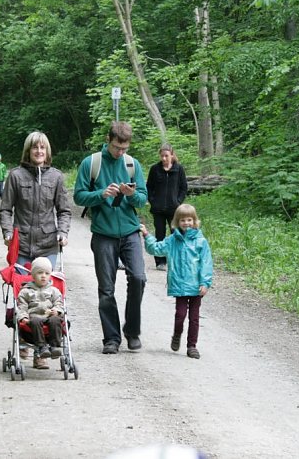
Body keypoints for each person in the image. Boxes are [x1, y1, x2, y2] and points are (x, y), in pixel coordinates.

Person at [73, 121, 148, 355]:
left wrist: (132, 194)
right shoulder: (91, 163)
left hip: (130, 231)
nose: (120, 152)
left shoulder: (132, 164)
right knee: (106, 288)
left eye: (124, 148)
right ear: (109, 140)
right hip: (103, 234)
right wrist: (101, 193)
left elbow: (143, 199)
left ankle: (132, 331)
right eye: (117, 148)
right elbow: (78, 197)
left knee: (138, 278)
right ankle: (111, 338)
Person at [140, 203, 213, 359]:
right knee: (180, 315)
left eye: (189, 220)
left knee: (194, 318)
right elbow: (156, 249)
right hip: (179, 285)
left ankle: (192, 346)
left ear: (194, 221)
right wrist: (147, 235)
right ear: (176, 222)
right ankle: (177, 334)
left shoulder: (201, 242)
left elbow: (206, 263)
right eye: (182, 220)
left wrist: (205, 283)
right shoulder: (172, 240)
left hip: (196, 286)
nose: (186, 223)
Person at [0, 132, 71, 268]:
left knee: (45, 288)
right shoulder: (15, 175)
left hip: (48, 246)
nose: (39, 151)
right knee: (23, 288)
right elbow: (5, 210)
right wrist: (8, 233)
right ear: (28, 151)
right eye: (35, 147)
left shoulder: (56, 177)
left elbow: (64, 211)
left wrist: (63, 232)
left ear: (47, 151)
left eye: (42, 147)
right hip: (20, 245)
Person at [145, 143, 188, 271]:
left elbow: (183, 187)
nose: (164, 158)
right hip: (158, 209)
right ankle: (160, 262)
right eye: (162, 156)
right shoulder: (155, 169)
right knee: (160, 234)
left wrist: (178, 201)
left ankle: (176, 261)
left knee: (177, 234)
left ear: (172, 155)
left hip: (174, 210)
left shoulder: (179, 169)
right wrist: (152, 201)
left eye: (166, 156)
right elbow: (149, 187)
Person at [16, 257, 65, 370]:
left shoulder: (54, 291)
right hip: (34, 319)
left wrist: (56, 311)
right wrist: (23, 317)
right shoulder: (25, 291)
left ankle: (55, 346)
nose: (43, 276)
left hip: (50, 317)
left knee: (56, 320)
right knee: (35, 320)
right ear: (33, 275)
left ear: (50, 275)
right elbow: (22, 307)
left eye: (47, 273)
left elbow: (59, 304)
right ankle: (41, 347)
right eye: (39, 273)